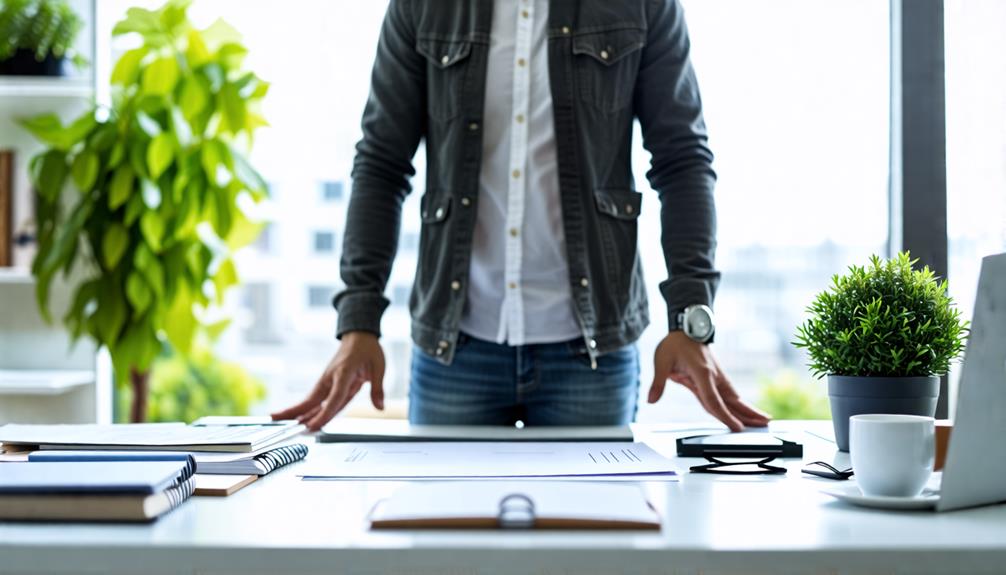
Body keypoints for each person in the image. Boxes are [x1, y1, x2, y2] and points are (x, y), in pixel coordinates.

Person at [273, 0, 770, 432]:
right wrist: (359, 320)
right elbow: (381, 163)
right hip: (455, 350)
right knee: (438, 534)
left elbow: (682, 158)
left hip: (592, 354)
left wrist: (690, 319)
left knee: (595, 534)